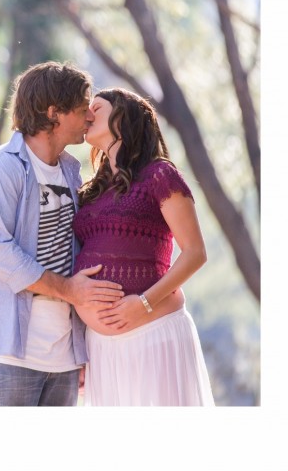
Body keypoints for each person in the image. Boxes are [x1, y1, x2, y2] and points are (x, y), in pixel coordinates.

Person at [0, 61, 125, 406]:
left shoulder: (71, 171)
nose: (90, 118)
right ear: (54, 113)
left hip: (63, 355)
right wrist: (68, 289)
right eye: (82, 110)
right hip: (7, 353)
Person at [72, 87, 214, 405]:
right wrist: (79, 345)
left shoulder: (160, 175)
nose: (87, 114)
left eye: (95, 107)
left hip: (154, 335)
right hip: (101, 351)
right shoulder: (91, 189)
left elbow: (195, 253)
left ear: (124, 117)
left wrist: (144, 304)